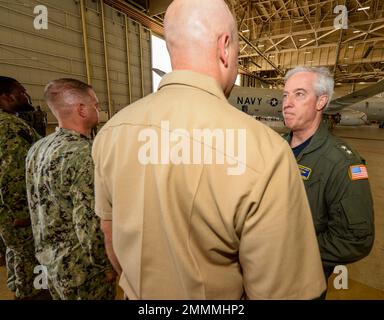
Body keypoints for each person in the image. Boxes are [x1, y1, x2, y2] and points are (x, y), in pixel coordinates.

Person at [92, 0, 326, 300]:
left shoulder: (111, 132)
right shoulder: (266, 151)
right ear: (224, 47)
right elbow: (282, 293)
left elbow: (110, 237)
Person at [282, 67, 375, 286]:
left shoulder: (342, 163)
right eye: (285, 94)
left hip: (301, 283)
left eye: (299, 94)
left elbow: (356, 239)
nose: (287, 102)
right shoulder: (274, 147)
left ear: (321, 102)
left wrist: (290, 249)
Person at [25, 78, 116, 300]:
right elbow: (90, 222)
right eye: (96, 104)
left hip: (51, 262)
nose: (99, 109)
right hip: (83, 271)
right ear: (81, 110)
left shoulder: (38, 148)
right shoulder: (85, 155)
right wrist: (106, 266)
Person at [0, 76, 46, 299]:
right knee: (31, 258)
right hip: (17, 213)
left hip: (4, 211)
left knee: (16, 253)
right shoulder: (8, 126)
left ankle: (18, 287)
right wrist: (23, 213)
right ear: (6, 97)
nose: (25, 94)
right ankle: (31, 294)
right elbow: (13, 172)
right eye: (20, 91)